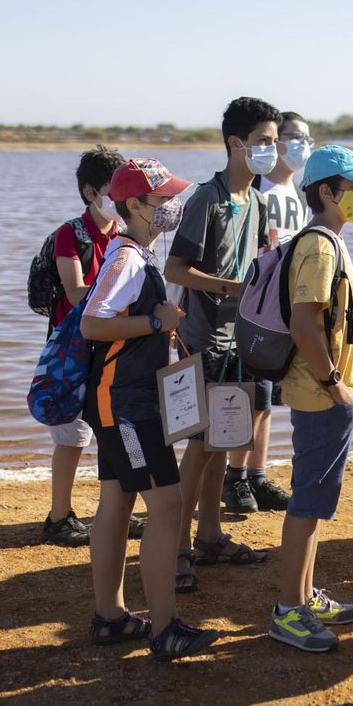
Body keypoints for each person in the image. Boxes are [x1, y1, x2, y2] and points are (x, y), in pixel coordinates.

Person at [79, 156, 219, 661]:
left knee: (116, 504)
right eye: (163, 200)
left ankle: (111, 618)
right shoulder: (127, 260)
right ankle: (165, 629)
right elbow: (92, 325)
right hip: (127, 404)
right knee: (166, 506)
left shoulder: (133, 252)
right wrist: (157, 325)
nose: (173, 206)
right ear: (134, 205)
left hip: (119, 400)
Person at [269, 145, 353, 653]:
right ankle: (288, 610)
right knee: (308, 501)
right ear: (326, 192)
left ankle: (305, 595)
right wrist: (335, 381)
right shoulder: (319, 246)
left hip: (324, 392)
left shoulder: (328, 240)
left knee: (316, 502)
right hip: (321, 394)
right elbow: (303, 323)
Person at [166, 97, 277, 588]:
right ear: (236, 144)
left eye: (274, 142)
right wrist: (232, 288)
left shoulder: (257, 200)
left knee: (222, 439)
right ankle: (174, 549)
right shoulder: (205, 199)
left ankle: (209, 537)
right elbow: (175, 270)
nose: (272, 151)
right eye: (265, 142)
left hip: (239, 339)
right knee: (198, 446)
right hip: (201, 338)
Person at [222, 111, 315, 514]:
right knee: (250, 396)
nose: (301, 145)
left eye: (307, 138)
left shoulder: (297, 191)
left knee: (270, 398)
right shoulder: (259, 190)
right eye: (292, 137)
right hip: (256, 307)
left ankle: (258, 475)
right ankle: (235, 476)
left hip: (287, 305)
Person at [39, 145, 126, 547]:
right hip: (72, 353)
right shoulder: (69, 235)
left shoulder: (122, 235)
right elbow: (76, 293)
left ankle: (113, 512)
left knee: (114, 432)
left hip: (111, 346)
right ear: (91, 192)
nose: (121, 198)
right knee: (72, 437)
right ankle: (59, 518)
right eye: (115, 188)